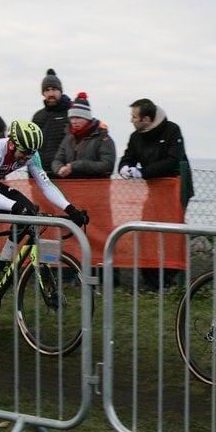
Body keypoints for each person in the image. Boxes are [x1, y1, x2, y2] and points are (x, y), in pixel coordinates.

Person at [0, 120, 89, 323]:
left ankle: (5, 258)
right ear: (11, 144)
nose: (27, 157)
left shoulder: (31, 154)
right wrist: (16, 208)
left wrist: (70, 209)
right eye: (23, 152)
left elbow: (46, 185)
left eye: (31, 153)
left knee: (30, 211)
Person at [117, 98, 191, 290]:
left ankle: (170, 279)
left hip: (175, 190)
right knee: (146, 233)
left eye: (134, 117)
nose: (131, 120)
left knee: (171, 235)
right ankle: (150, 281)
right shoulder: (136, 136)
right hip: (153, 192)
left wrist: (143, 172)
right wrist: (124, 167)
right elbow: (128, 156)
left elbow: (173, 161)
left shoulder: (172, 130)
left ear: (146, 119)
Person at [51, 92, 116, 179]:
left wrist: (77, 166)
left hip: (97, 188)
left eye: (78, 117)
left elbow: (107, 166)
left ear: (87, 118)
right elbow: (57, 160)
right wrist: (58, 168)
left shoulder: (103, 138)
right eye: (71, 118)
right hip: (71, 188)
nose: (74, 121)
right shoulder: (68, 137)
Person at [33, 68, 72, 174]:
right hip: (40, 174)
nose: (51, 93)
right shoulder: (38, 117)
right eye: (47, 90)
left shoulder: (71, 114)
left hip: (63, 174)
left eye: (54, 89)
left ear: (61, 91)